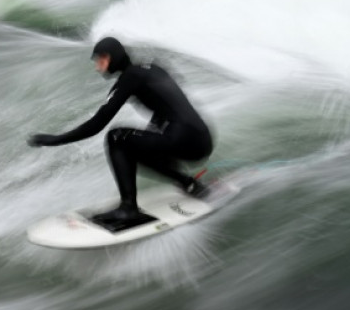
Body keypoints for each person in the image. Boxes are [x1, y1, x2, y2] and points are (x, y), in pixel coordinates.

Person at [28, 37, 213, 223]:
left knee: (116, 137)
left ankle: (128, 209)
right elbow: (170, 103)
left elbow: (97, 125)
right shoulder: (151, 69)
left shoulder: (129, 77)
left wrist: (55, 140)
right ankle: (189, 183)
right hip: (202, 139)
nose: (97, 67)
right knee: (139, 145)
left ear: (111, 57)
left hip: (183, 139)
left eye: (100, 61)